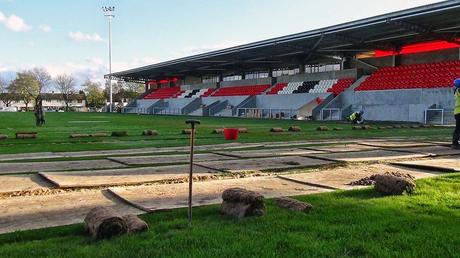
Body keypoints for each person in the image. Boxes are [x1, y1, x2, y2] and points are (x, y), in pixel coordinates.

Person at [452, 78, 460, 149]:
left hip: (457, 112)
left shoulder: (456, 91)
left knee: (458, 128)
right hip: (459, 112)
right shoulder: (459, 90)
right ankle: (455, 143)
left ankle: (455, 143)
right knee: (458, 128)